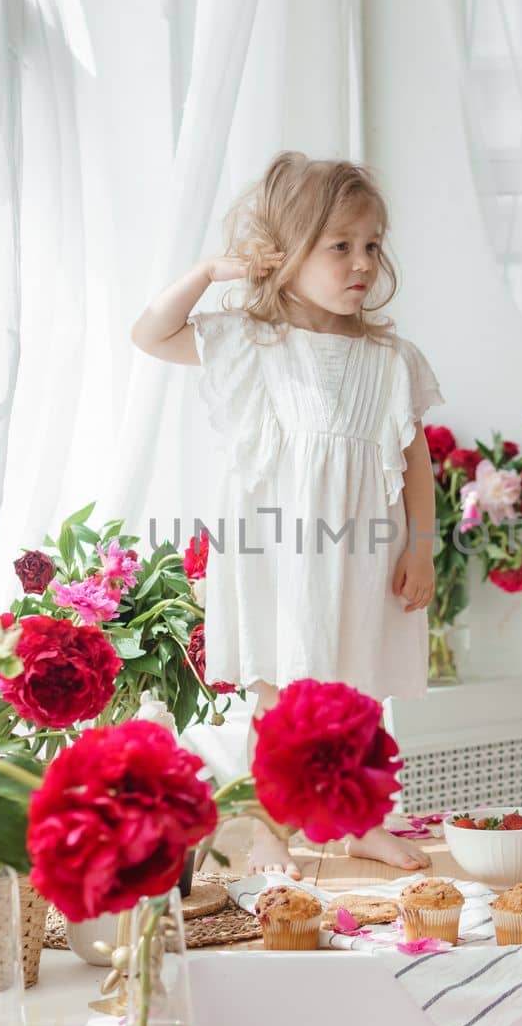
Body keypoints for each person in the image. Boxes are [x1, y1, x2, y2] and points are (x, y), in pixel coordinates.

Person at [131, 151, 444, 878]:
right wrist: (211, 273)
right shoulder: (252, 341)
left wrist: (421, 549)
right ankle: (271, 830)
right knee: (282, 702)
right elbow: (150, 333)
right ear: (288, 253)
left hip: (364, 552)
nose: (362, 263)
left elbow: (416, 462)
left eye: (371, 245)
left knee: (358, 699)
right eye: (340, 246)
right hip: (279, 553)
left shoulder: (391, 359)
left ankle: (353, 823)